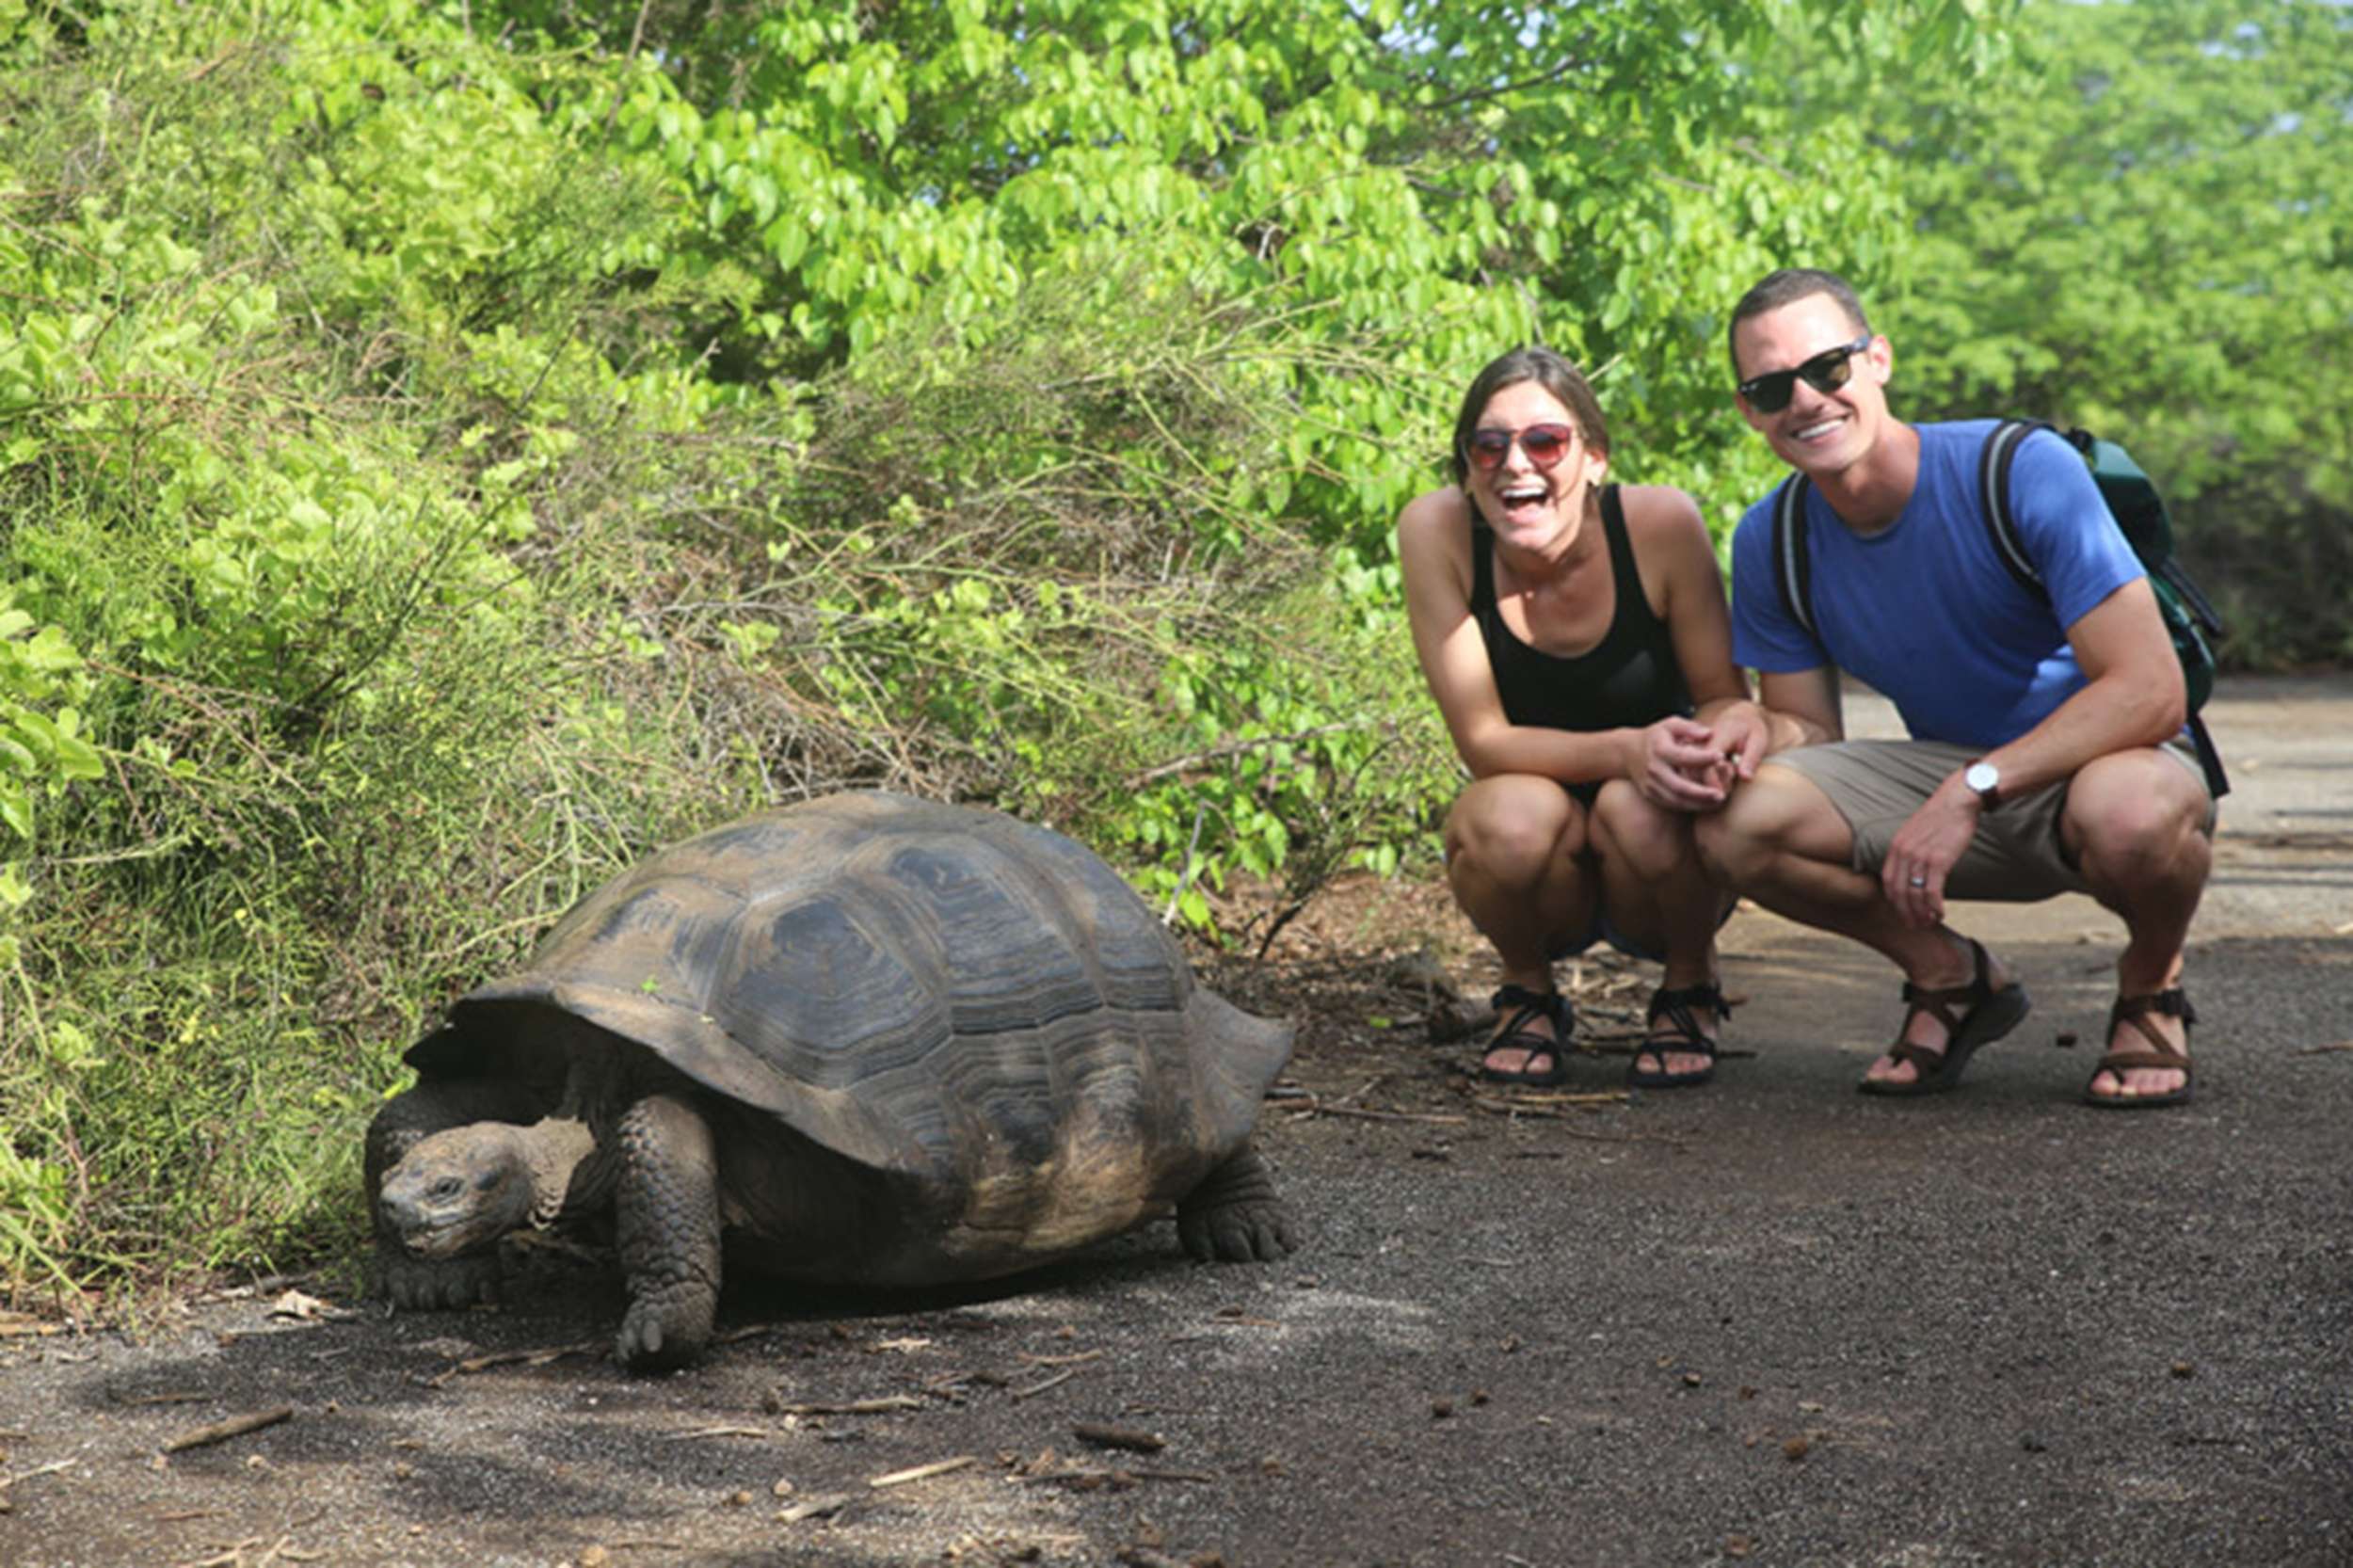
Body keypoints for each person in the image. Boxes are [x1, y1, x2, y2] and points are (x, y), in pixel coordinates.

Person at [1694, 267, 2215, 1108]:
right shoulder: (1772, 537)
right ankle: (1954, 978)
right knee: (1734, 820)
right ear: (1749, 409)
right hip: (1950, 772)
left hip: (2111, 760)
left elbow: (2152, 691)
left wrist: (1973, 787)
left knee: (2131, 817)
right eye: (1771, 386)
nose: (1806, 400)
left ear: (1879, 360)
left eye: (1827, 368)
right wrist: (1751, 732)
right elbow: (1805, 728)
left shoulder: (2016, 469)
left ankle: (2153, 981)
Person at [1399, 346, 1769, 1090]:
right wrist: (1627, 749)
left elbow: (1724, 695)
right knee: (1501, 820)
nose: (1516, 465)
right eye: (1489, 445)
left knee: (1638, 810)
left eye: (1545, 441)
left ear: (1594, 458)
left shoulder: (1659, 524)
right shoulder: (1436, 532)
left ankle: (1690, 981)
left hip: (1658, 832)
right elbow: (1483, 741)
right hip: (1538, 820)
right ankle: (1527, 989)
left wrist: (1707, 745)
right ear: (1468, 468)